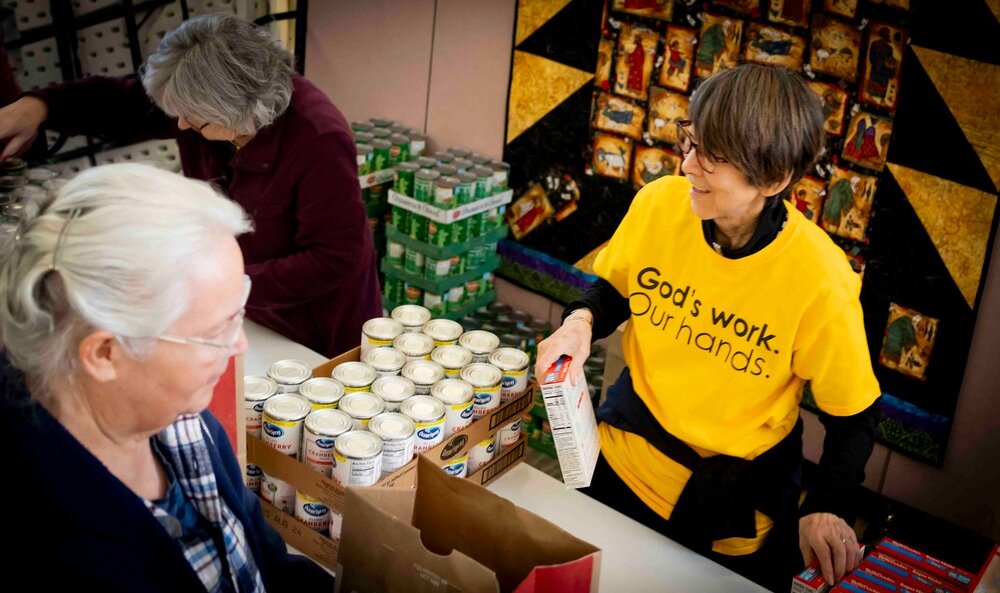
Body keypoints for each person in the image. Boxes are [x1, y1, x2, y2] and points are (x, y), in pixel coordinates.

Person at [536, 64, 881, 592]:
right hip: (621, 464)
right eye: (691, 141)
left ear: (772, 179)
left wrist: (830, 506)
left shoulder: (820, 278)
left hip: (735, 513)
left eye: (713, 156)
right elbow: (617, 288)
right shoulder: (659, 205)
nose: (688, 165)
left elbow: (854, 417)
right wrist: (581, 322)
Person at [0, 163, 333, 591]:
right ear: (105, 353)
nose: (239, 346)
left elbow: (265, 560)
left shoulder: (179, 417)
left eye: (239, 315)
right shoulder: (61, 548)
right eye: (216, 331)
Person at [0, 13, 380, 358]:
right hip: (241, 303)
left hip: (312, 327)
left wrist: (221, 280)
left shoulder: (318, 140)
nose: (180, 126)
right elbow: (121, 102)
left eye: (194, 120)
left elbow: (333, 258)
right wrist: (38, 107)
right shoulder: (201, 105)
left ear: (240, 116)